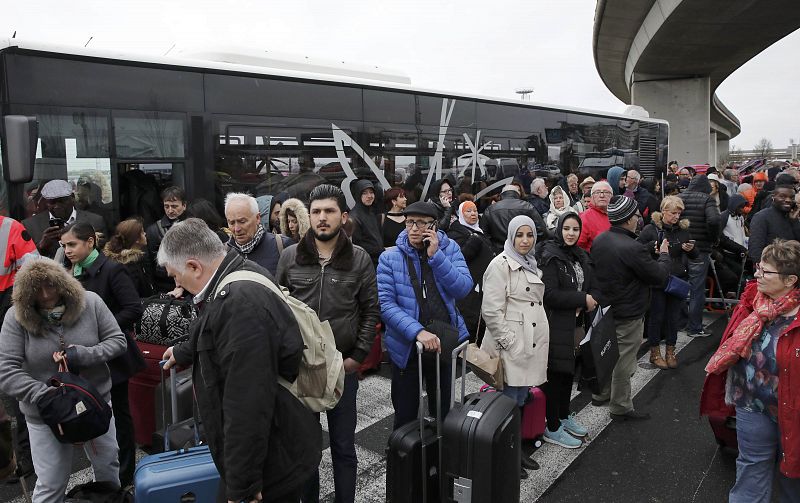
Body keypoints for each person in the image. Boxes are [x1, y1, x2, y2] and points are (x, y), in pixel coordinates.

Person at [159, 218, 321, 503]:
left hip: (270, 458)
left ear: (195, 266)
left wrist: (242, 484)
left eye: (175, 275)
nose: (177, 284)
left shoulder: (238, 304)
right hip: (273, 444)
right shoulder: (237, 271)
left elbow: (246, 401)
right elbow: (213, 331)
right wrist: (184, 351)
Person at [276, 185, 380, 503]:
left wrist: (357, 358)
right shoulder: (290, 257)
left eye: (329, 211)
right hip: (301, 369)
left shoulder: (359, 259)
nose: (322, 218)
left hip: (341, 367)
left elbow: (370, 311)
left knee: (343, 448)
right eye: (317, 211)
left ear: (343, 216)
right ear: (309, 216)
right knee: (306, 451)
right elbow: (278, 307)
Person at [0, 258, 126, 502]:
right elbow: (6, 371)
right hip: (45, 415)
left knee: (108, 469)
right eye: (37, 290)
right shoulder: (15, 319)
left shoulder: (91, 302)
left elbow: (117, 341)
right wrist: (46, 395)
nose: (46, 295)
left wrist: (82, 354)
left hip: (94, 405)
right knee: (51, 485)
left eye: (51, 285)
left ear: (64, 283)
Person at [701, 239, 800, 502]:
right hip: (750, 404)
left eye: (765, 272)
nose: (756, 275)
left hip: (792, 409)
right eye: (758, 268)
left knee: (793, 475)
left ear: (790, 280)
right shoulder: (751, 301)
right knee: (751, 465)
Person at [60, 222, 144, 487]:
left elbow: (133, 308)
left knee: (119, 415)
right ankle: (106, 471)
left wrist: (102, 330)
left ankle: (125, 474)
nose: (67, 250)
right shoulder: (67, 271)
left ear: (89, 242)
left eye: (72, 244)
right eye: (63, 246)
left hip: (113, 355)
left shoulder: (111, 269)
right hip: (83, 358)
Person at [378, 201, 472, 430]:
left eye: (421, 223)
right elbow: (386, 304)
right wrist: (417, 331)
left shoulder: (449, 249)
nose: (414, 229)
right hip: (407, 345)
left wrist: (436, 256)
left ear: (434, 226)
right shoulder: (390, 257)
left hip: (444, 340)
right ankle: (406, 460)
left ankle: (441, 459)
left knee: (443, 411)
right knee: (406, 413)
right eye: (410, 222)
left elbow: (463, 288)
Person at [590, 196, 671, 420]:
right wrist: (664, 255)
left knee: (606, 353)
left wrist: (646, 252)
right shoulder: (632, 248)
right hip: (629, 311)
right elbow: (658, 276)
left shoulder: (601, 240)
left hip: (606, 308)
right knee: (624, 361)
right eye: (636, 215)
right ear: (627, 219)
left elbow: (621, 262)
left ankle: (602, 394)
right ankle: (621, 406)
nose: (638, 219)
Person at [481, 215, 549, 477]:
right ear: (510, 237)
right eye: (519, 235)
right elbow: (491, 310)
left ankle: (515, 450)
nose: (524, 240)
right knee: (506, 404)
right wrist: (510, 342)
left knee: (519, 400)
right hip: (510, 346)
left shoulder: (530, 262)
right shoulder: (500, 265)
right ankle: (503, 456)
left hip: (527, 345)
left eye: (529, 235)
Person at [539, 212, 600, 449]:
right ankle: (552, 426)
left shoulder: (580, 255)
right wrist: (582, 299)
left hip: (575, 326)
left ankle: (563, 416)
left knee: (567, 375)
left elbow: (592, 283)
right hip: (556, 326)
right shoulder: (550, 255)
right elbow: (549, 294)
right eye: (567, 229)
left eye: (575, 229)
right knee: (555, 376)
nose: (571, 234)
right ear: (559, 229)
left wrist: (590, 296)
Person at [637, 197, 698, 369]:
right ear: (663, 212)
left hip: (678, 279)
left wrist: (692, 250)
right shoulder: (651, 229)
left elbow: (695, 255)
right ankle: (654, 353)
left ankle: (670, 351)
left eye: (679, 213)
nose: (676, 216)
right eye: (673, 213)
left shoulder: (684, 230)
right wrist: (651, 247)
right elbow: (637, 249)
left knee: (674, 317)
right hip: (658, 279)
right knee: (656, 317)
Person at [678, 175, 721, 338]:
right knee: (697, 289)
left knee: (679, 286)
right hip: (699, 249)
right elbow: (714, 220)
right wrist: (713, 238)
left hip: (679, 248)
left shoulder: (678, 198)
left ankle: (681, 321)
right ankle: (695, 327)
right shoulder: (707, 199)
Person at [446, 201, 495, 342]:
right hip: (469, 288)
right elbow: (458, 258)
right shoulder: (456, 234)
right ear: (461, 214)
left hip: (483, 285)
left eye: (474, 211)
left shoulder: (480, 232)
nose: (473, 214)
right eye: (468, 211)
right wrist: (473, 242)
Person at [22, 179, 107, 259]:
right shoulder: (30, 226)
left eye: (62, 201)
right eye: (52, 202)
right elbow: (25, 260)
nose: (57, 206)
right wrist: (41, 246)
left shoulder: (95, 221)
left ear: (72, 198)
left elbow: (103, 254)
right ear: (46, 202)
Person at [224, 192, 293, 276]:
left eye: (242, 222)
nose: (236, 229)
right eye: (231, 223)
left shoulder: (282, 245)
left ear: (257, 218)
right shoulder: (223, 253)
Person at [481, 184, 549, 253]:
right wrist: (529, 245)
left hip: (498, 252)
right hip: (522, 251)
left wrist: (493, 248)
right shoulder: (527, 207)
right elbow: (542, 231)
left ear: (502, 194)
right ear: (517, 194)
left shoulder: (490, 209)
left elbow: (483, 234)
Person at [145, 186, 188, 293]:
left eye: (174, 206)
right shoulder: (154, 230)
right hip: (164, 283)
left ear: (184, 205)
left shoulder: (193, 225)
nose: (170, 210)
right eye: (166, 206)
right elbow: (149, 261)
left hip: (189, 280)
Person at [748, 181, 800, 263]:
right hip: (772, 269)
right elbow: (755, 250)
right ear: (773, 197)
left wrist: (794, 221)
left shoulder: (792, 217)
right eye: (782, 196)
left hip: (792, 267)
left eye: (792, 197)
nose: (788, 200)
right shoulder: (761, 217)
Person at [103, 218, 156, 298]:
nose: (145, 234)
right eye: (142, 232)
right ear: (137, 239)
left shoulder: (137, 260)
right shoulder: (130, 267)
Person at [349, 180, 384, 266]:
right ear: (358, 194)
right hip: (366, 263)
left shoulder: (371, 212)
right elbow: (358, 246)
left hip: (378, 260)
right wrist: (381, 250)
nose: (369, 196)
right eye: (364, 193)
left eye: (371, 192)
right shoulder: (354, 217)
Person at [577, 181, 613, 251]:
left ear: (612, 196)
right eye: (597, 192)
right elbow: (579, 247)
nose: (602, 195)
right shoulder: (585, 218)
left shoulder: (617, 214)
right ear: (592, 196)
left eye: (606, 192)